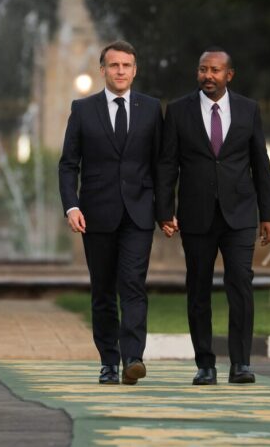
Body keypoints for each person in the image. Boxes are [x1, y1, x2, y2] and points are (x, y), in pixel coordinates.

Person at [156, 48, 270, 385]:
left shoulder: (248, 110)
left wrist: (268, 213)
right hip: (196, 216)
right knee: (198, 289)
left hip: (240, 215)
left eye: (215, 71)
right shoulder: (178, 111)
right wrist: (164, 210)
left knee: (241, 285)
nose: (208, 76)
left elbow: (260, 163)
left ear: (229, 75)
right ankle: (205, 364)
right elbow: (167, 164)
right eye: (203, 70)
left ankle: (241, 363)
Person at [58, 40, 163, 385]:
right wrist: (71, 205)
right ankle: (109, 361)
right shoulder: (83, 109)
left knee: (132, 284)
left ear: (135, 70)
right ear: (102, 70)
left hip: (138, 214)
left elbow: (161, 165)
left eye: (127, 65)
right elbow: (68, 164)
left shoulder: (150, 109)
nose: (120, 71)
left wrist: (165, 211)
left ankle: (133, 357)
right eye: (114, 65)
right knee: (103, 290)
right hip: (96, 215)